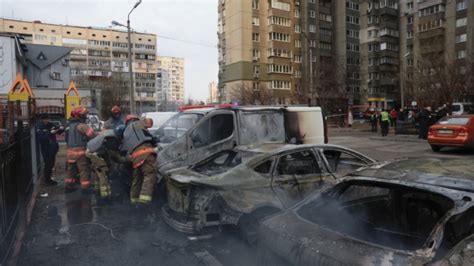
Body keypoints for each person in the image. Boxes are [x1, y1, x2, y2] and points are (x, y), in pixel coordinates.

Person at [122, 115, 158, 206]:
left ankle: (134, 202)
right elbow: (150, 122)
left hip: (135, 157)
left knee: (137, 178)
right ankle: (144, 204)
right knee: (149, 175)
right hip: (146, 152)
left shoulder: (126, 132)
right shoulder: (138, 123)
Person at [86, 126, 127, 200]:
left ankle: (97, 190)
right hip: (95, 154)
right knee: (103, 172)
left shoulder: (110, 132)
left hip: (92, 151)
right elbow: (114, 154)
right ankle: (105, 196)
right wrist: (125, 159)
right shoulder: (112, 139)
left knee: (98, 171)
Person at [65, 106, 96, 192]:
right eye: (84, 115)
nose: (86, 116)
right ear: (79, 116)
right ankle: (85, 188)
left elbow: (66, 139)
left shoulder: (69, 126)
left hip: (70, 153)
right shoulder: (82, 126)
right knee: (84, 170)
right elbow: (92, 136)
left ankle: (68, 187)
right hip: (81, 153)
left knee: (71, 170)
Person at [36, 113, 63, 185]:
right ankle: (47, 180)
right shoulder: (39, 126)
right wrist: (50, 133)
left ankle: (48, 178)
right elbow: (41, 138)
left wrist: (61, 129)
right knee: (48, 164)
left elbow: (58, 130)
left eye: (48, 119)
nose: (47, 120)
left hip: (52, 148)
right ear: (42, 119)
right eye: (46, 119)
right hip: (46, 148)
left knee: (51, 164)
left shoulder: (51, 124)